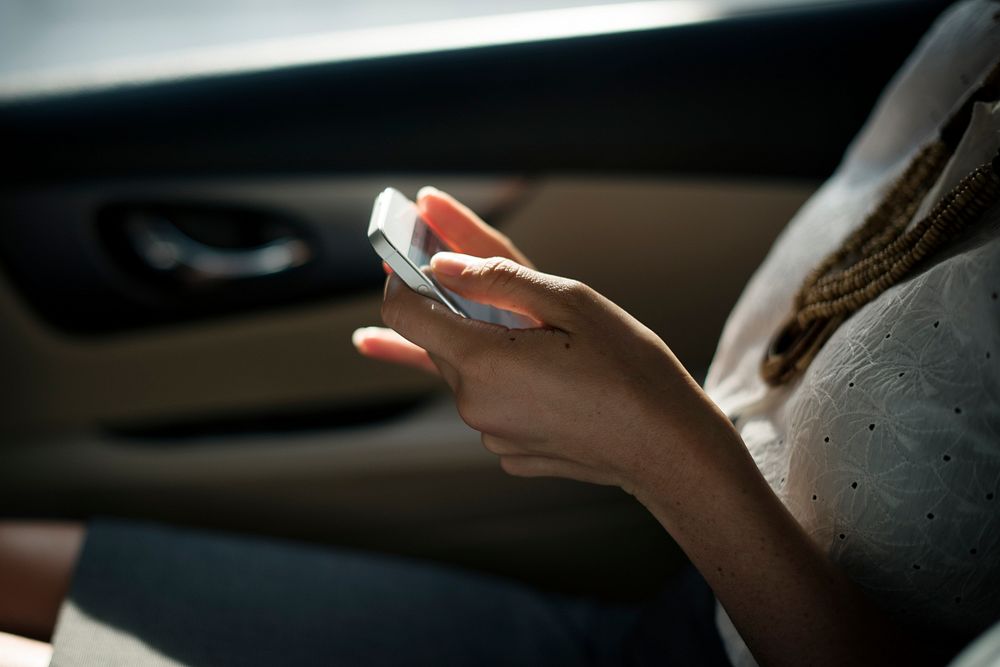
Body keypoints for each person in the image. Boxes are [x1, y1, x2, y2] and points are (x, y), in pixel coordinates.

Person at [1, 1, 998, 665]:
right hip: (655, 627)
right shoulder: (978, 34)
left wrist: (660, 447)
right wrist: (618, 407)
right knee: (27, 570)